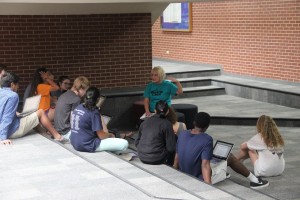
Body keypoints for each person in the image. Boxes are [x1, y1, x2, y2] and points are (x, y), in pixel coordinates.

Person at [174, 112, 269, 189]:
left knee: (215, 157)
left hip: (184, 174)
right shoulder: (206, 139)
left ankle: (222, 172)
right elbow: (205, 165)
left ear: (194, 123)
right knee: (230, 157)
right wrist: (208, 186)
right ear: (207, 126)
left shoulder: (183, 134)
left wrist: (174, 172)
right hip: (198, 178)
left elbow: (177, 156)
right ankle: (255, 181)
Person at [0, 72, 67, 145]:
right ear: (12, 84)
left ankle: (45, 134)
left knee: (33, 116)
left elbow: (4, 111)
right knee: (40, 112)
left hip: (5, 129)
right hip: (11, 131)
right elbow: (7, 117)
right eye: (17, 84)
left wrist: (16, 113)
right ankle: (57, 136)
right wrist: (3, 138)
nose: (18, 87)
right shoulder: (12, 95)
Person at [70, 87, 128, 153]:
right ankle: (114, 152)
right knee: (124, 144)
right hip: (87, 145)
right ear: (98, 99)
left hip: (74, 142)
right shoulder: (94, 112)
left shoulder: (79, 107)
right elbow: (102, 136)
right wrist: (110, 135)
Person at [135, 100, 177, 166]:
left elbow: (137, 142)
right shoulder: (167, 124)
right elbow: (171, 148)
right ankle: (170, 165)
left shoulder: (145, 122)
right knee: (175, 139)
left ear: (155, 110)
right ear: (168, 111)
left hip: (142, 156)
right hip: (158, 158)